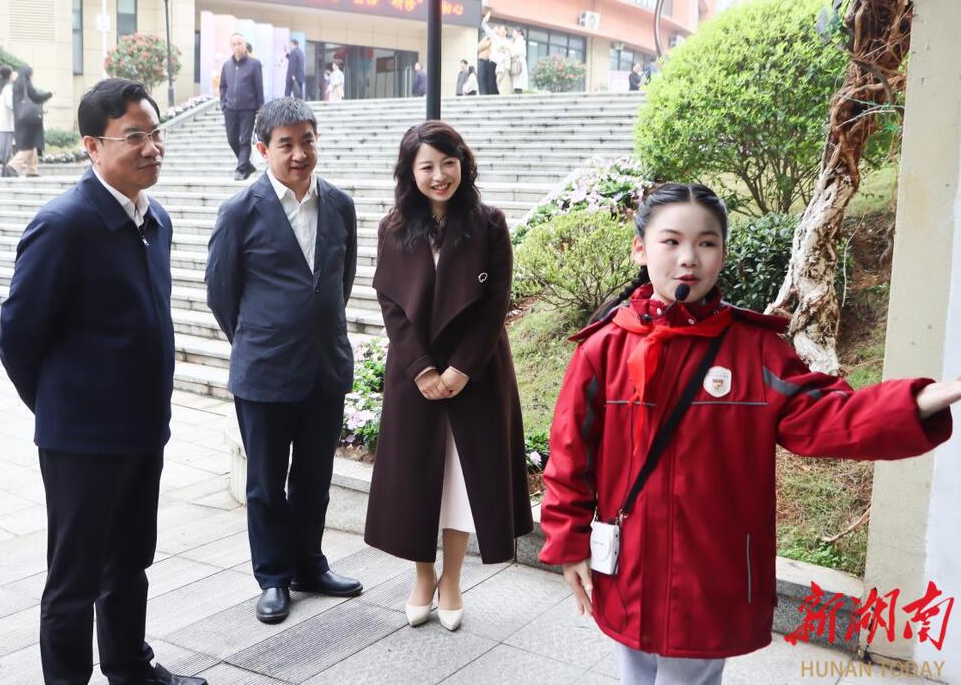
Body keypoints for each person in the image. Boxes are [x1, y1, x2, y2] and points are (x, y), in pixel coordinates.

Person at [539, 182, 957, 685]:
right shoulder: (604, 349)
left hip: (709, 571)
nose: (688, 258)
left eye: (706, 242)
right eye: (671, 241)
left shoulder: (753, 350)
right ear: (640, 248)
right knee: (634, 668)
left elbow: (828, 416)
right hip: (628, 564)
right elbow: (570, 457)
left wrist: (928, 399)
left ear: (722, 253)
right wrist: (568, 544)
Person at [0, 79, 205, 685]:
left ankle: (129, 666)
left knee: (131, 560)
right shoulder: (63, 224)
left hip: (143, 430)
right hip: (82, 441)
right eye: (134, 136)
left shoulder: (155, 219)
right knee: (74, 578)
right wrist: (61, 409)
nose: (152, 147)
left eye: (155, 133)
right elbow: (18, 338)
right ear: (92, 145)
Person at [364, 121, 533, 632]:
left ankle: (453, 579)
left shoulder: (488, 223)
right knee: (419, 478)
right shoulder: (393, 227)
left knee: (461, 480)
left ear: (463, 164)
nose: (439, 176)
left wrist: (461, 367)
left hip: (476, 373)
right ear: (410, 172)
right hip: (413, 373)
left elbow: (496, 303)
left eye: (448, 163)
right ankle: (423, 576)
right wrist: (421, 369)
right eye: (427, 167)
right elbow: (391, 304)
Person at [205, 97, 362, 625]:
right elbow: (221, 294)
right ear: (262, 149)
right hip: (265, 372)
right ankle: (273, 577)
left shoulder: (339, 204)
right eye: (286, 144)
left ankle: (309, 565)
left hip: (325, 367)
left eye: (307, 141)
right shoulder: (239, 211)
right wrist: (260, 339)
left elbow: (340, 282)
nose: (299, 154)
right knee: (266, 485)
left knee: (315, 479)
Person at [219, 33, 264, 180]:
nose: (237, 47)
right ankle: (247, 164)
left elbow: (259, 88)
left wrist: (261, 109)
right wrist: (223, 104)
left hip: (248, 108)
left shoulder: (254, 64)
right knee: (232, 140)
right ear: (231, 47)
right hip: (230, 108)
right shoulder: (227, 66)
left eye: (239, 43)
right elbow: (223, 86)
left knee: (244, 140)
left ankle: (241, 169)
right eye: (234, 44)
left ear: (245, 45)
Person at [10, 66, 52, 178]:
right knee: (28, 146)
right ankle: (12, 166)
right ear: (28, 74)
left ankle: (32, 171)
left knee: (32, 144)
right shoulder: (26, 85)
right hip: (30, 120)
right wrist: (50, 94)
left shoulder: (16, 86)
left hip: (21, 118)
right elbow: (37, 98)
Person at [482, 13, 512, 95]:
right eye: (500, 30)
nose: (501, 31)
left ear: (506, 32)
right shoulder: (495, 37)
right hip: (493, 63)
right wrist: (486, 19)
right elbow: (484, 26)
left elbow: (510, 53)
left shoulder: (508, 42)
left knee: (502, 85)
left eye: (503, 30)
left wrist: (504, 49)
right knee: (491, 83)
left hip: (503, 65)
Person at [510, 29, 529, 94]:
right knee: (518, 84)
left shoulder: (519, 40)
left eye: (514, 32)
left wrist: (510, 54)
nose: (513, 34)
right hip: (518, 63)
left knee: (518, 84)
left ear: (519, 33)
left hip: (518, 64)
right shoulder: (518, 40)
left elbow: (516, 52)